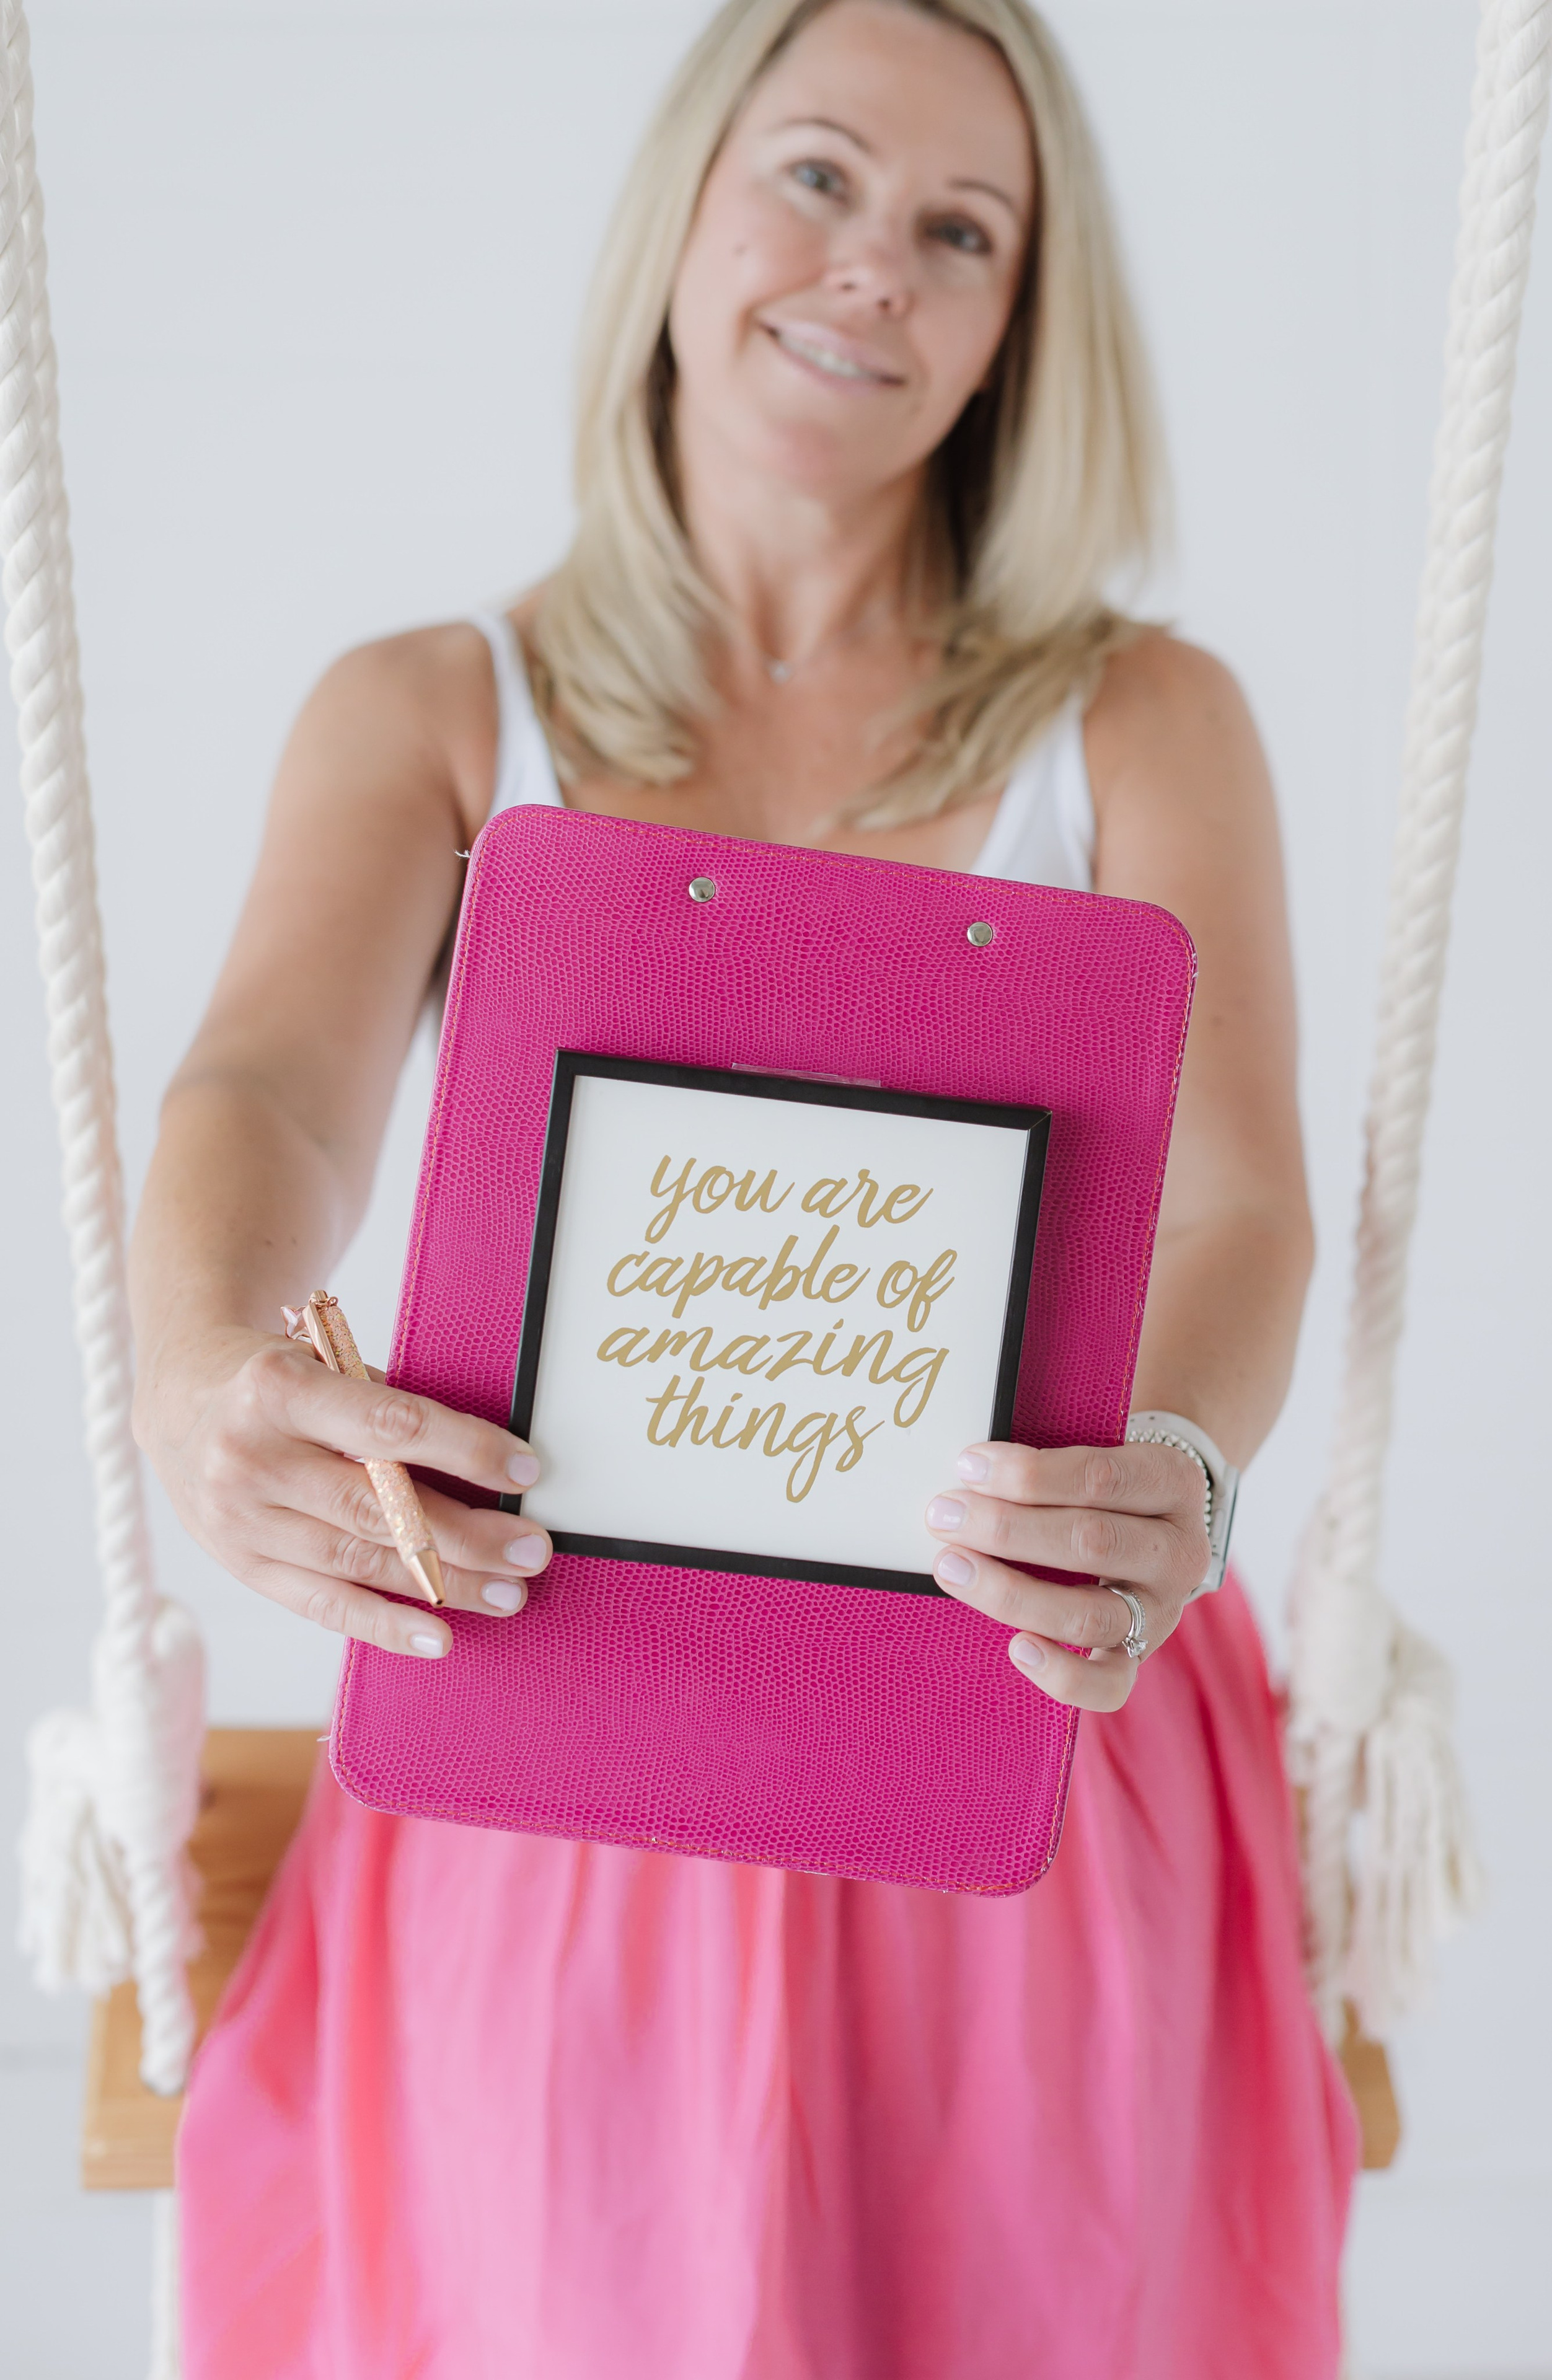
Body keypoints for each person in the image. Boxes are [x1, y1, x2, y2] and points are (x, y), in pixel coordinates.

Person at [130, 1, 1357, 2371]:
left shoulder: (1139, 724)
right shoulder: (433, 712)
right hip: (562, 1736)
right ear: (688, 212)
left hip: (1030, 1709)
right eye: (813, 176)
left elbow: (1239, 1209)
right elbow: (267, 1097)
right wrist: (206, 1382)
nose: (870, 264)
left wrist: (1183, 1476)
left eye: (958, 229)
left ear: (1018, 324)